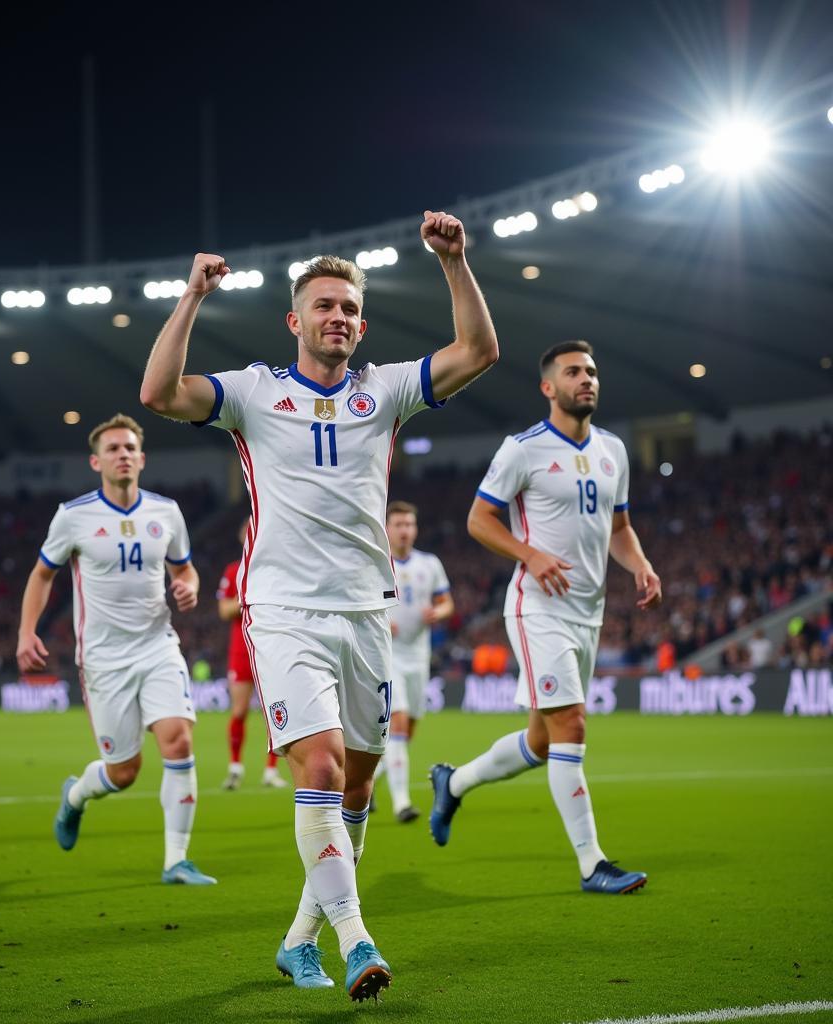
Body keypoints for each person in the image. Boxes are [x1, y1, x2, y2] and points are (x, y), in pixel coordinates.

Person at [140, 210, 498, 1001]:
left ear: (361, 326)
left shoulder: (388, 390)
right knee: (324, 767)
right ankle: (357, 940)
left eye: (349, 309)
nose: (337, 317)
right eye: (324, 306)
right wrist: (191, 297)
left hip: (367, 613)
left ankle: (299, 940)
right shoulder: (254, 393)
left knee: (359, 789)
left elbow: (479, 351)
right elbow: (160, 391)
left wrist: (455, 263)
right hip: (284, 612)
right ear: (294, 319)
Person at [429, 340, 662, 895]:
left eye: (592, 371)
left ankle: (453, 783)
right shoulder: (523, 449)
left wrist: (641, 565)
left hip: (589, 612)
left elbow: (619, 528)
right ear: (548, 387)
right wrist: (529, 554)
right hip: (537, 608)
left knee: (541, 740)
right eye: (574, 372)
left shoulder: (613, 451)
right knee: (572, 726)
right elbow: (479, 520)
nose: (587, 379)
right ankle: (592, 865)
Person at [16, 413, 216, 886]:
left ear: (142, 459)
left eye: (130, 448)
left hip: (158, 645)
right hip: (104, 660)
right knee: (124, 771)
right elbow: (42, 574)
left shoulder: (165, 512)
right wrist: (27, 632)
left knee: (179, 739)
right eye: (113, 449)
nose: (123, 455)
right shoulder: (74, 515)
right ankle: (75, 798)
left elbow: (185, 570)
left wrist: (188, 587)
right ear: (96, 461)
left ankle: (176, 861)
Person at [381, 501, 453, 822]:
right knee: (397, 723)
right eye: (398, 524)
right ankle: (401, 803)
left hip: (418, 655)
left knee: (407, 731)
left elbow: (446, 602)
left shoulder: (430, 563)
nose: (404, 530)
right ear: (387, 528)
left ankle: (365, 782)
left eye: (409, 524)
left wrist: (438, 612)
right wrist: (382, 621)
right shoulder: (377, 563)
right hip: (387, 655)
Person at [218, 518, 287, 790]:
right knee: (239, 709)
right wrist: (250, 599)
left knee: (276, 710)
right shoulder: (234, 570)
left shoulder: (277, 569)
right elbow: (224, 610)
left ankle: (271, 771)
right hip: (242, 648)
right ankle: (235, 767)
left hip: (272, 646)